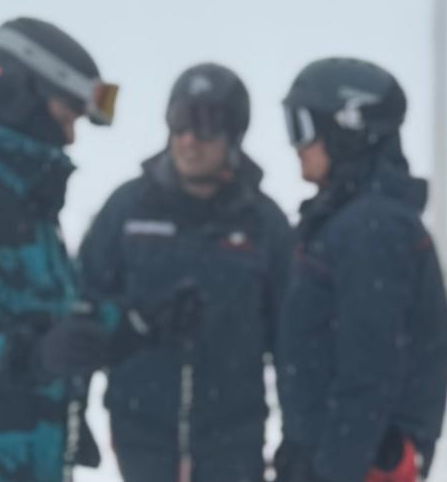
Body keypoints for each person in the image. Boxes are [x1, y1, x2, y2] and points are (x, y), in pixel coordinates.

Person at [0, 17, 201, 482]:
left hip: (18, 459)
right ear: (20, 96)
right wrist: (32, 353)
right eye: (66, 118)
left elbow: (54, 318)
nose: (70, 138)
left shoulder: (24, 198)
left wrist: (138, 324)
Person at [78, 63, 293, 482]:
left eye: (206, 126)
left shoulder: (263, 224)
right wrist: (75, 407)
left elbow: (291, 342)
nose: (189, 140)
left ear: (233, 135)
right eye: (179, 122)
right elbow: (84, 309)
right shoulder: (128, 210)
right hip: (141, 429)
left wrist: (297, 436)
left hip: (233, 438)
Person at [275, 58, 447, 482]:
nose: (296, 145)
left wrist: (333, 467)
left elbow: (370, 369)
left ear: (347, 130)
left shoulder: (371, 229)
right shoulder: (351, 220)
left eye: (303, 127)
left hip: (360, 461)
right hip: (345, 452)